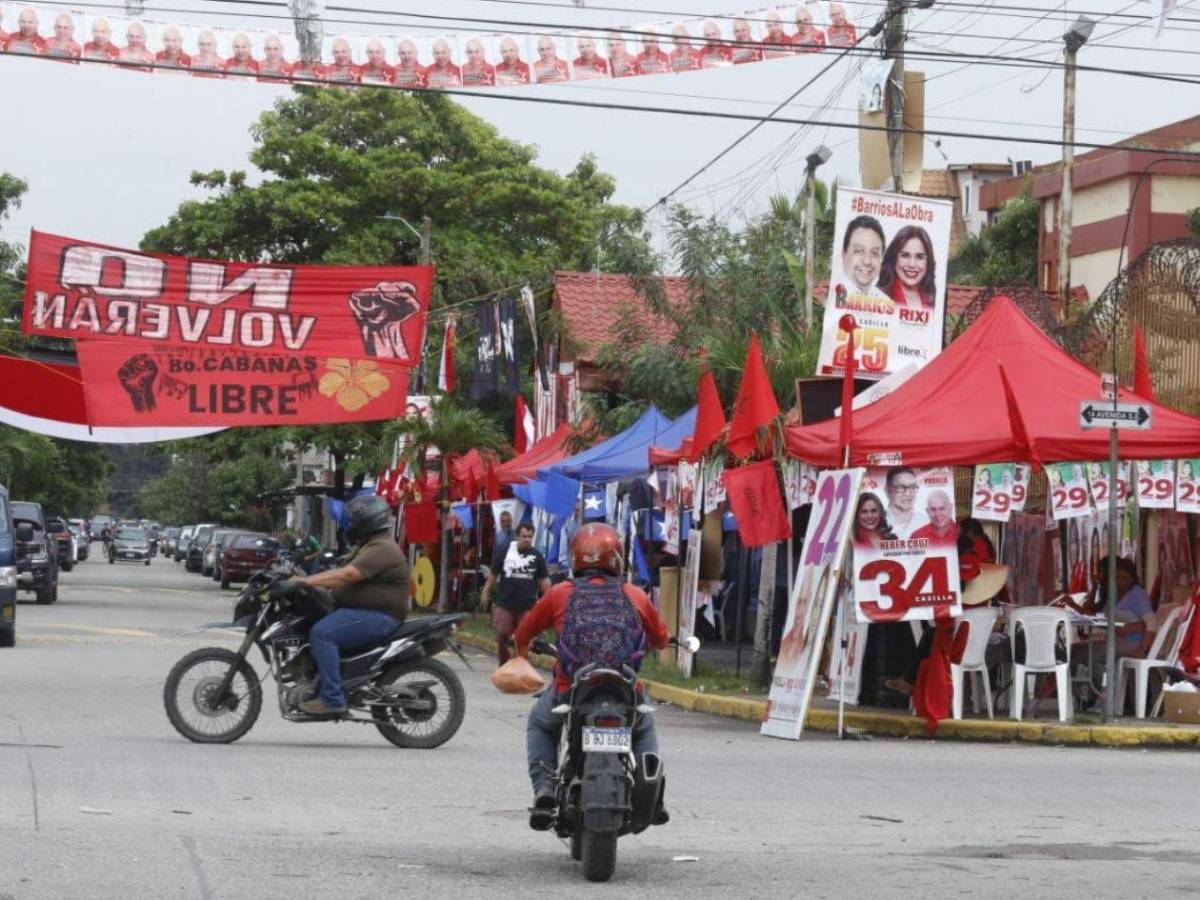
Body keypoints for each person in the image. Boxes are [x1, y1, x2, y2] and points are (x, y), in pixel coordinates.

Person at [513, 523, 669, 825]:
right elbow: (661, 639)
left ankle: (545, 787)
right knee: (644, 726)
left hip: (571, 686)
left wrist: (520, 651)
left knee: (541, 724)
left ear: (575, 558)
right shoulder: (635, 595)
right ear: (618, 559)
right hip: (624, 687)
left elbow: (524, 632)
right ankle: (654, 794)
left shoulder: (560, 594)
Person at [289, 495, 408, 716]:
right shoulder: (369, 546)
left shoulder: (382, 548)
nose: (350, 525)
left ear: (368, 521)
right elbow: (342, 569)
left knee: (323, 634)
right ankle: (321, 682)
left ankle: (332, 699)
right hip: (365, 612)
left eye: (354, 521)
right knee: (314, 624)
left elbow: (348, 574)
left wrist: (305, 581)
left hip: (379, 615)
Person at [490, 522, 549, 665]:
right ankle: (503, 663)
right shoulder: (505, 551)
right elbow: (494, 573)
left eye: (530, 536)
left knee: (525, 638)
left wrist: (547, 598)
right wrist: (486, 590)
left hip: (527, 606)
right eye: (524, 536)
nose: (527, 539)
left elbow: (544, 579)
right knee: (502, 633)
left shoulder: (537, 556)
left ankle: (519, 666)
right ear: (517, 536)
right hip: (505, 604)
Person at [878, 225, 937, 308]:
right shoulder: (877, 297)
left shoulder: (937, 300)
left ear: (928, 261)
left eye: (919, 257)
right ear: (894, 258)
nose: (911, 264)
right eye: (905, 255)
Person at [840, 215, 887, 297]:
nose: (867, 261)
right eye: (858, 251)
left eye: (874, 253)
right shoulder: (828, 295)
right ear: (844, 254)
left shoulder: (887, 304)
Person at [479, 509, 515, 609]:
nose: (506, 523)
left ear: (511, 521)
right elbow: (494, 556)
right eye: (503, 521)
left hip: (515, 573)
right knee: (500, 599)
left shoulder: (516, 535)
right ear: (500, 522)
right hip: (501, 572)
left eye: (507, 521)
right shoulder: (497, 537)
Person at [885, 466, 926, 539]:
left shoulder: (925, 522)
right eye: (900, 487)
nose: (907, 493)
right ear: (887, 491)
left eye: (912, 487)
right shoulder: (876, 522)